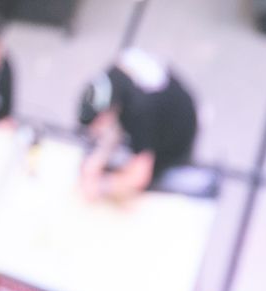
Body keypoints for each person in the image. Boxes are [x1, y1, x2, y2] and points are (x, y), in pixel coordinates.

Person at [76, 49, 198, 201]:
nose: (96, 134)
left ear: (104, 115)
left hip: (176, 137)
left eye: (97, 129)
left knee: (137, 182)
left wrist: (103, 186)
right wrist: (96, 161)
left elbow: (140, 177)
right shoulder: (112, 80)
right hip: (173, 104)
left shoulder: (139, 111)